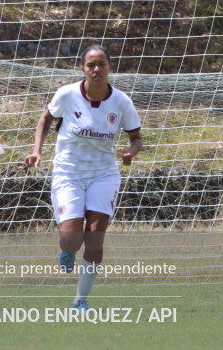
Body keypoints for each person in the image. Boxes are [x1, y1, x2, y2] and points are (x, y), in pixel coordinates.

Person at [25, 45, 142, 311]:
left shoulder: (121, 102)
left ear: (110, 67)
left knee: (95, 235)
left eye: (101, 64)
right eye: (91, 65)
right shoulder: (67, 95)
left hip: (104, 174)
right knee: (72, 239)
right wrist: (36, 151)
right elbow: (45, 120)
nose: (96, 69)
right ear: (83, 69)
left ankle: (81, 300)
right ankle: (66, 248)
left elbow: (137, 138)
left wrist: (130, 152)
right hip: (69, 173)